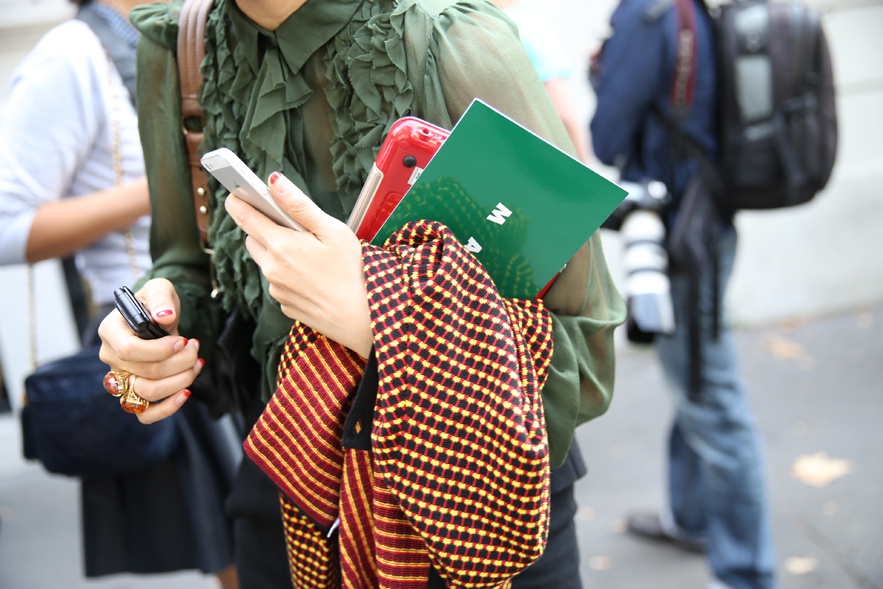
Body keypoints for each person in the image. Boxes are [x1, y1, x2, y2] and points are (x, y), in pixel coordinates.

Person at [98, 0, 625, 586]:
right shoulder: (181, 48)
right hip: (285, 494)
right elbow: (187, 258)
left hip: (480, 503)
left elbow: (588, 356)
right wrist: (152, 324)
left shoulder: (454, 39)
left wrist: (383, 317)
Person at [0, 1, 239, 586]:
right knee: (244, 554)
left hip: (227, 325)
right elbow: (6, 224)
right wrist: (165, 188)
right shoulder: (74, 54)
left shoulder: (198, 29)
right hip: (154, 332)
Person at [588, 1, 776, 588]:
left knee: (713, 400)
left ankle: (746, 572)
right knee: (691, 376)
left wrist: (603, 73)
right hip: (710, 220)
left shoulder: (645, 16)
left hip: (677, 235)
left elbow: (606, 136)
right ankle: (693, 517)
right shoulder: (692, 7)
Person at [488, 0, 591, 162]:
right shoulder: (525, 24)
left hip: (493, 158)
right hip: (535, 162)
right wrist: (588, 178)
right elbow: (564, 117)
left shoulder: (462, 26)